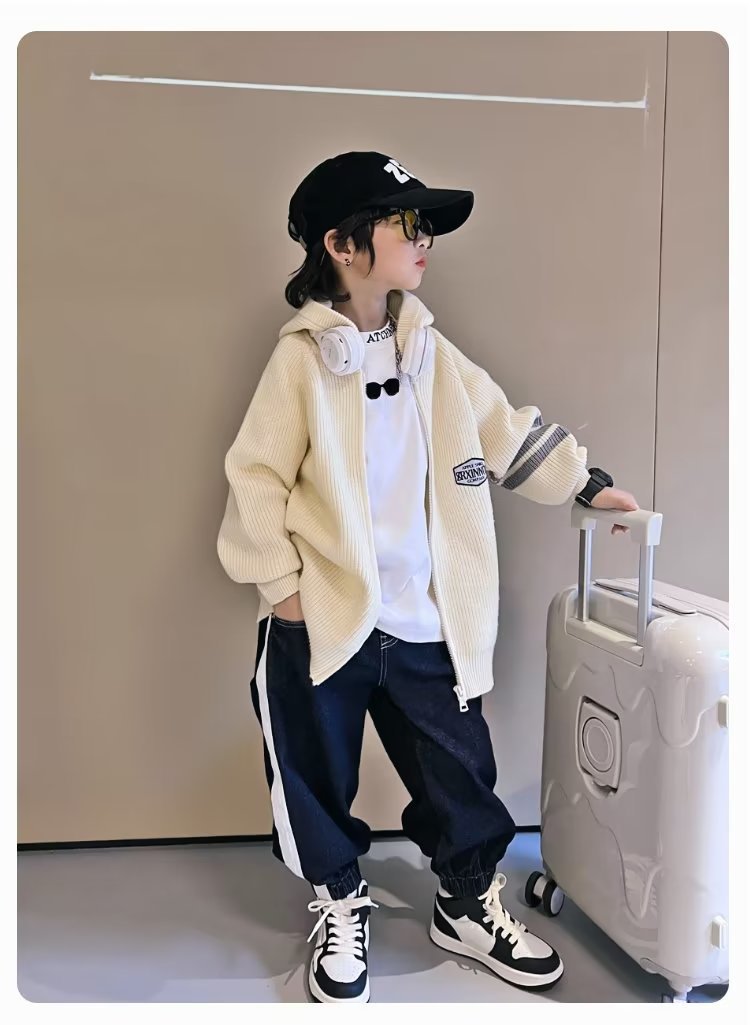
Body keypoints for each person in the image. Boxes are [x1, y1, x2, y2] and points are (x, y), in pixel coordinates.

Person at [216, 150, 639, 1003]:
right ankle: (340, 898)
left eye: (426, 226)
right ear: (342, 244)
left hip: (423, 614)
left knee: (458, 768)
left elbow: (503, 428)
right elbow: (255, 476)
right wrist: (284, 592)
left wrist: (584, 482)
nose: (425, 240)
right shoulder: (300, 361)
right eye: (406, 224)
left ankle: (467, 901)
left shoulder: (431, 354)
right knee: (311, 768)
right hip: (323, 617)